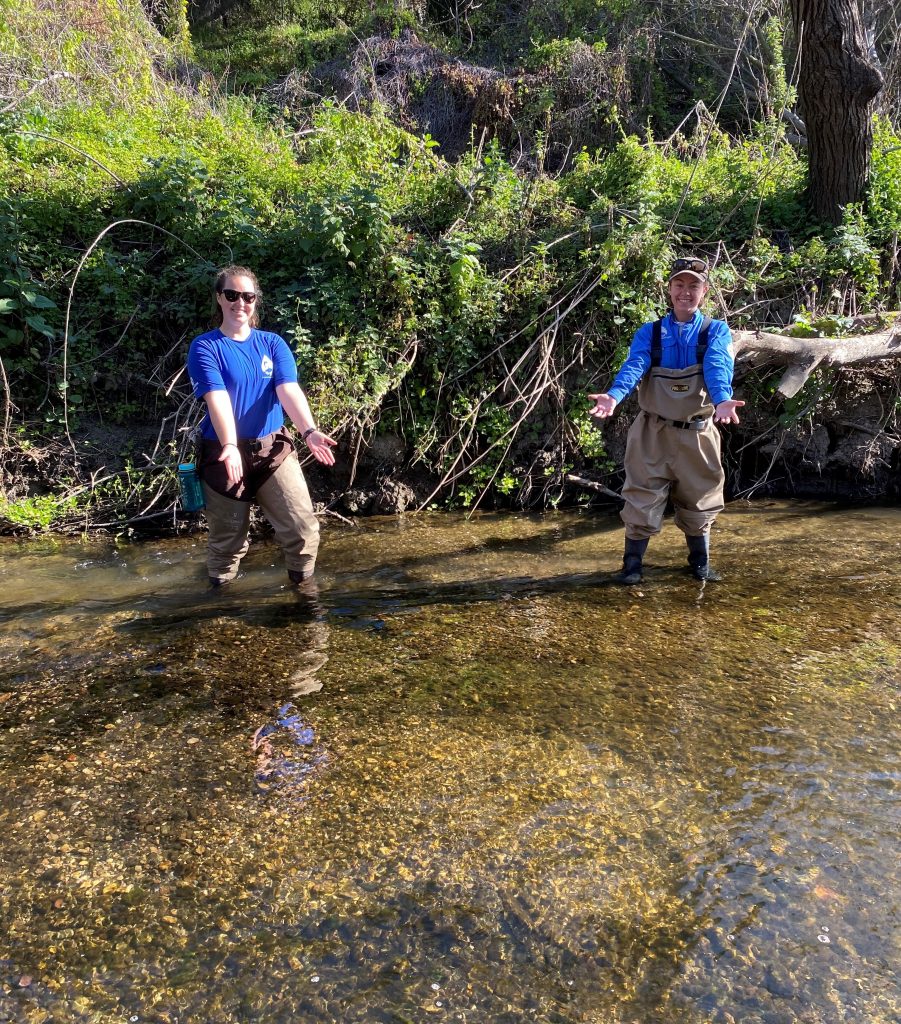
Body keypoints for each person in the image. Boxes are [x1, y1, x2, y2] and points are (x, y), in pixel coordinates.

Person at [588, 256, 744, 584]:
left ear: (704, 292)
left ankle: (699, 564)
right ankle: (631, 568)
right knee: (641, 498)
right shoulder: (650, 333)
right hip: (652, 432)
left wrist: (722, 400)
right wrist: (614, 396)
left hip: (698, 432)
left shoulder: (716, 331)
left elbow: (718, 366)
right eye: (679, 285)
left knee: (700, 500)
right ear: (669, 289)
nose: (685, 292)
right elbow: (635, 365)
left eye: (693, 286)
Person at [187, 265, 337, 587]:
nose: (240, 302)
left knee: (302, 529)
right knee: (227, 544)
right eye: (232, 295)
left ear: (256, 300)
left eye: (248, 296)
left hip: (273, 450)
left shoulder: (272, 344)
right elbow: (218, 398)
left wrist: (309, 431)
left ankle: (305, 599)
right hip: (223, 454)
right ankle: (219, 609)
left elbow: (288, 389)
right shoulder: (205, 347)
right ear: (219, 298)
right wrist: (229, 446)